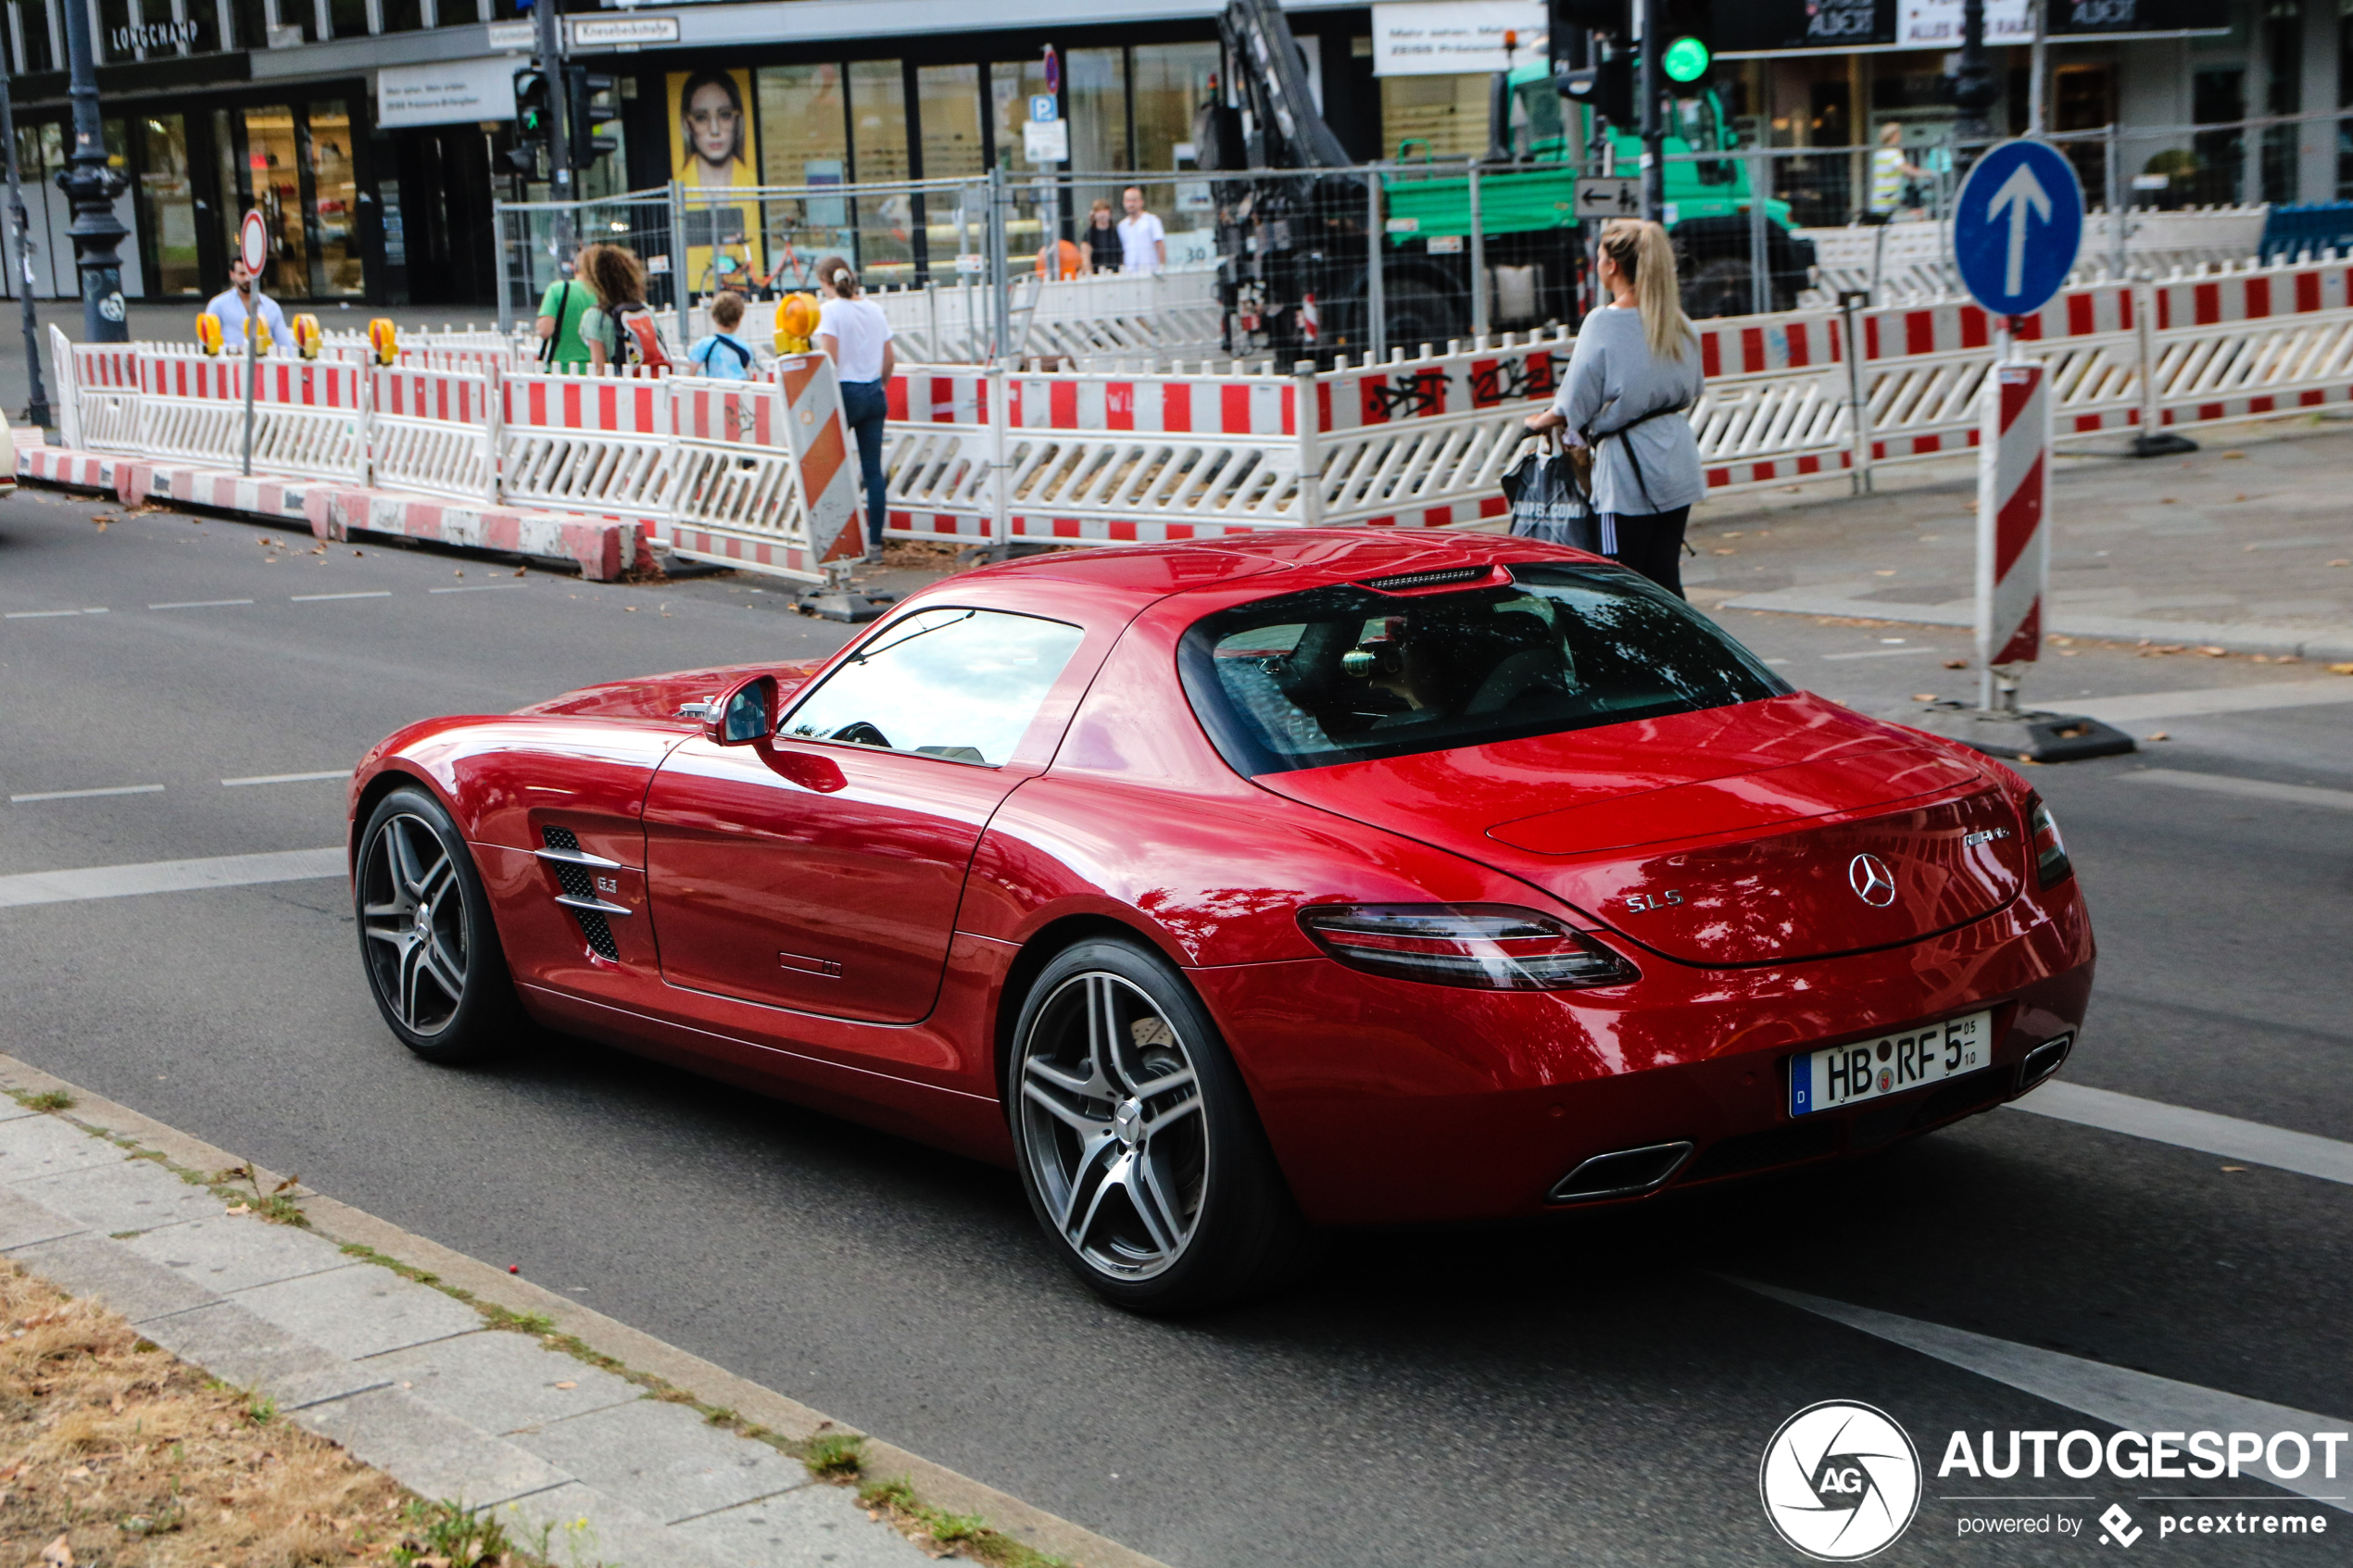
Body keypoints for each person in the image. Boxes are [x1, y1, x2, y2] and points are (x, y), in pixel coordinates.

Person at [1524, 220, 1704, 597]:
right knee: (1664, 579)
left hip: (1627, 473)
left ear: (1612, 267)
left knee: (1618, 584)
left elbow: (1574, 402)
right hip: (1677, 460)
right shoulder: (1678, 322)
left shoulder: (1603, 322)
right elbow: (1695, 388)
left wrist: (1539, 421)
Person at [815, 255, 894, 563]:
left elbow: (829, 359)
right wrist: (879, 386)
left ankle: (834, 538)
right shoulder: (875, 310)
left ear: (825, 282)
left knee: (830, 465)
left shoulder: (830, 311)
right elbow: (889, 359)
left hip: (844, 393)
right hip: (874, 391)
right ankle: (875, 545)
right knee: (873, 471)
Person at [578, 244, 673, 373]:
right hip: (653, 383)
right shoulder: (642, 309)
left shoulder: (595, 316)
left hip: (622, 388)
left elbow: (599, 367)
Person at [676, 69, 749, 192]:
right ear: (687, 125)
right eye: (701, 117)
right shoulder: (672, 193)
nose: (714, 130)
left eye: (725, 115)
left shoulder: (757, 185)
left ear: (737, 120)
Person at [203, 257, 289, 356]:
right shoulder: (218, 305)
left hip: (265, 366)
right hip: (229, 366)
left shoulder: (272, 307)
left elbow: (285, 345)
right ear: (232, 275)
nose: (247, 278)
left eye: (251, 273)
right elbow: (206, 341)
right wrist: (230, 351)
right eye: (242, 274)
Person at [535, 245, 593, 370]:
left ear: (574, 268)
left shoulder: (557, 290)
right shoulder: (608, 294)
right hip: (599, 372)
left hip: (561, 370)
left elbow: (545, 331)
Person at [687, 290, 758, 381]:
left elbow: (692, 371)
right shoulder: (745, 347)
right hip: (739, 391)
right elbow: (751, 373)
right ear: (739, 320)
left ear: (714, 317)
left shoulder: (704, 344)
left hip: (715, 390)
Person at [1869, 122, 1930, 220]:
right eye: (1899, 134)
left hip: (1879, 196)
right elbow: (1905, 168)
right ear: (1894, 136)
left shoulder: (1880, 152)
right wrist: (1925, 173)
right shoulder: (1893, 153)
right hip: (1888, 198)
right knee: (1915, 217)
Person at [1115, 186, 1165, 276]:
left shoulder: (1152, 220)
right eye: (1128, 201)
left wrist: (1162, 269)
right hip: (1129, 273)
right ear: (1123, 203)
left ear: (1141, 202)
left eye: (1134, 200)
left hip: (1150, 272)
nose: (1131, 204)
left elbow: (1160, 245)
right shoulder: (1121, 226)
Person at [1078, 198, 1120, 272]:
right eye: (1098, 211)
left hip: (1118, 274)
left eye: (1105, 210)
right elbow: (1085, 258)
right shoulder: (1089, 234)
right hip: (1098, 275)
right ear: (1094, 214)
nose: (1102, 214)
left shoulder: (1117, 231)